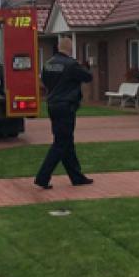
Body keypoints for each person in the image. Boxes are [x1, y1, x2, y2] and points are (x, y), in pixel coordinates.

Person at [34, 38, 94, 189]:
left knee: (66, 142)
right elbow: (88, 77)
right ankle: (42, 177)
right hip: (66, 106)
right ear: (70, 48)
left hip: (52, 105)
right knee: (61, 143)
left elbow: (45, 83)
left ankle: (77, 177)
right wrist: (86, 65)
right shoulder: (71, 64)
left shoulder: (48, 64)